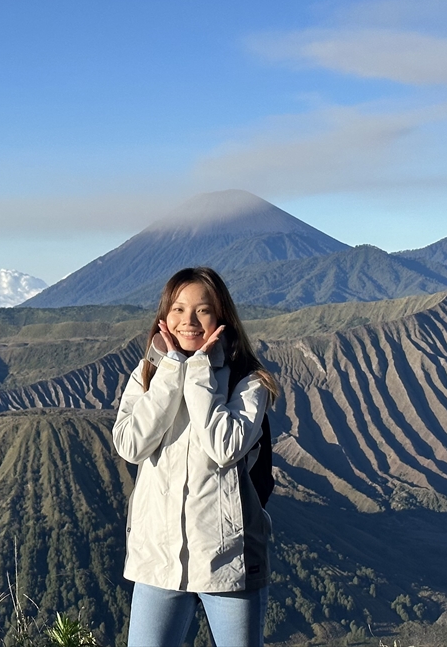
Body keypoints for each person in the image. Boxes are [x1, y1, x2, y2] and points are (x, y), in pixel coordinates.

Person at [113, 267, 278, 647]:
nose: (188, 321)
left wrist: (199, 372)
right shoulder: (148, 374)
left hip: (227, 559)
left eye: (202, 311)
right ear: (164, 317)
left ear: (221, 317)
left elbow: (223, 445)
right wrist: (171, 372)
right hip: (158, 560)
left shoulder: (248, 381)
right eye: (178, 309)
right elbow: (131, 444)